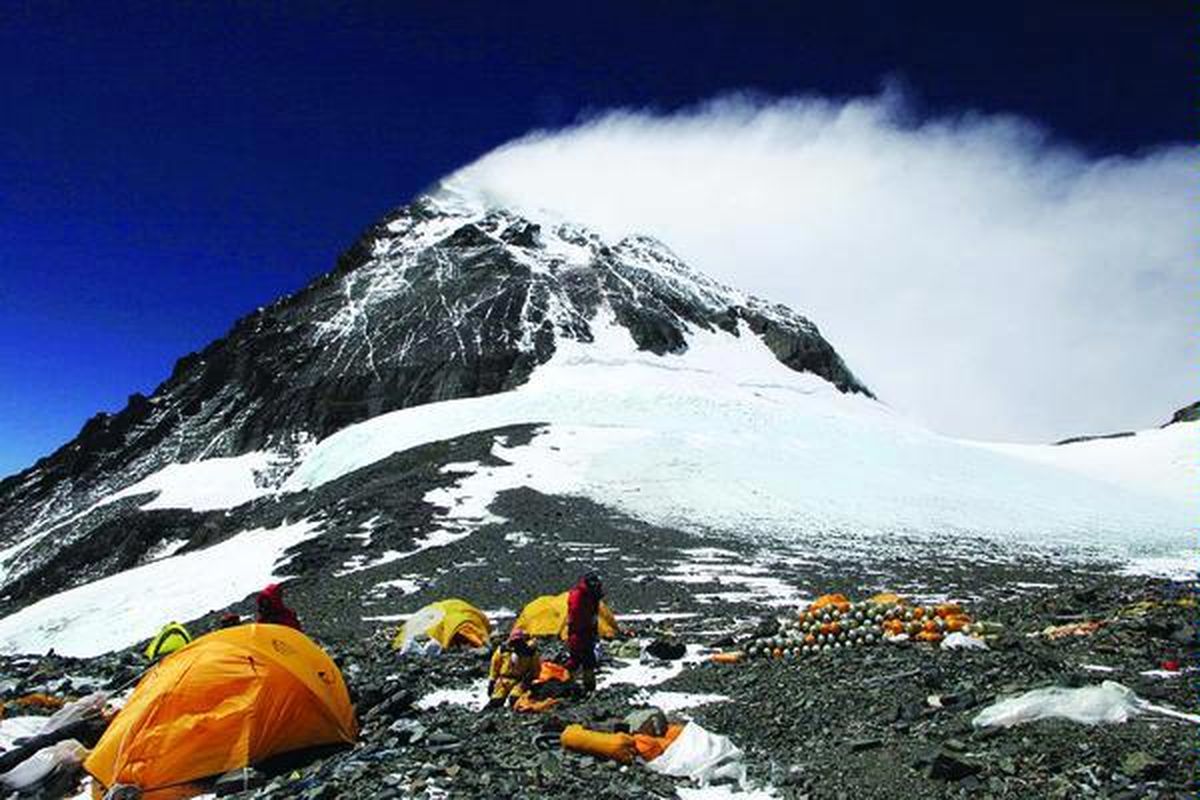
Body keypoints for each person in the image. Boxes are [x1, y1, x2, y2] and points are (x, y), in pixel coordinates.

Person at [566, 571, 604, 693]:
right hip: (580, 632)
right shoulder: (580, 596)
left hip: (584, 632)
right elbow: (576, 615)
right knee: (578, 659)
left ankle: (584, 685)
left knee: (584, 659)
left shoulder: (587, 594)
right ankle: (571, 684)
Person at [487, 627, 541, 708]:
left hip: (519, 681)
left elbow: (535, 670)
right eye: (514, 641)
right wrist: (492, 681)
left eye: (518, 641)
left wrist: (529, 680)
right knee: (496, 702)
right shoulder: (503, 650)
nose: (516, 644)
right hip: (503, 681)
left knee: (514, 699)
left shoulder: (530, 653)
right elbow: (495, 666)